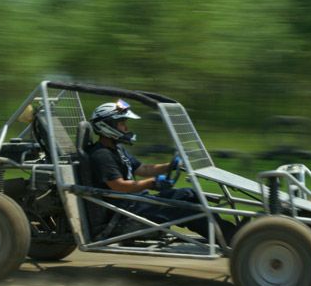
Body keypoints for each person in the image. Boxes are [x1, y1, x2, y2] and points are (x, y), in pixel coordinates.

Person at [88, 99, 237, 244]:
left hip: (139, 202)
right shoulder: (102, 155)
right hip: (126, 210)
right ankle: (230, 238)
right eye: (122, 124)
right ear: (106, 126)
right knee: (186, 210)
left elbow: (143, 169)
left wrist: (170, 165)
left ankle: (229, 232)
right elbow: (118, 186)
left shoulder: (118, 149)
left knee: (190, 194)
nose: (126, 128)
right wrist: (152, 183)